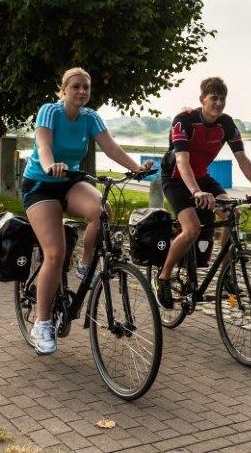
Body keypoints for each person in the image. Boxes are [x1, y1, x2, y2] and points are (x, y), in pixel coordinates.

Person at [21, 67, 152, 355]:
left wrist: (136, 169)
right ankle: (42, 324)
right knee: (54, 255)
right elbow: (43, 144)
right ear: (63, 89)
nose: (82, 91)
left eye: (86, 87)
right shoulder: (49, 111)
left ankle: (85, 261)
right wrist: (49, 164)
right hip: (40, 184)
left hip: (69, 182)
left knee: (102, 210)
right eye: (76, 86)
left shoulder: (90, 117)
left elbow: (113, 149)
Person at [157, 77, 251, 309]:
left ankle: (226, 275)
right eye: (214, 98)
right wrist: (196, 192)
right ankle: (164, 277)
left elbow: (242, 159)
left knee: (233, 216)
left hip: (201, 176)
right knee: (191, 229)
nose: (219, 103)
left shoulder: (227, 124)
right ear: (203, 99)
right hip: (176, 179)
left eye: (222, 99)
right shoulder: (184, 120)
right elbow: (181, 160)